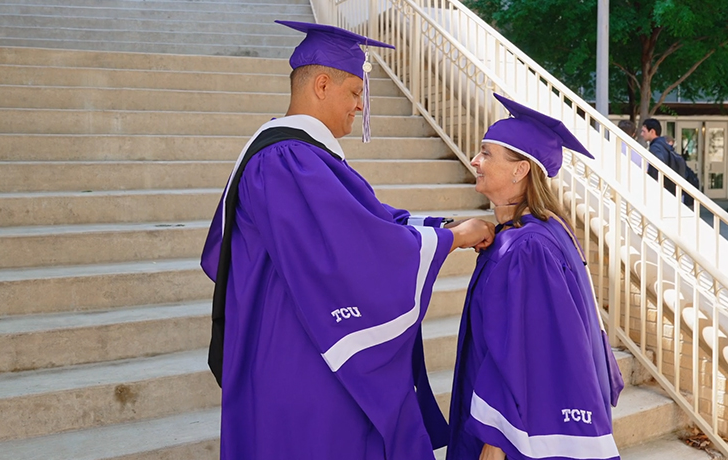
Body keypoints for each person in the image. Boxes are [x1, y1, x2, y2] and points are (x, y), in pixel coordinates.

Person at [200, 20, 496, 459]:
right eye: (356, 93)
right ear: (322, 84)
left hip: (294, 345)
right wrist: (451, 240)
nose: (360, 107)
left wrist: (443, 226)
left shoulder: (295, 157)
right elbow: (355, 251)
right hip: (300, 357)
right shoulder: (287, 160)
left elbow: (368, 222)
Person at [447, 93, 623, 460]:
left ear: (520, 169)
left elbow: (523, 349)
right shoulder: (544, 232)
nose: (474, 160)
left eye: (486, 153)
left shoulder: (527, 247)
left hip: (511, 433)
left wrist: (495, 440)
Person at [640, 118, 683, 196]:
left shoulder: (655, 147)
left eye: (644, 131)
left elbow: (659, 163)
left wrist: (654, 179)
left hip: (662, 188)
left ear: (652, 131)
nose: (641, 134)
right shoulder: (663, 144)